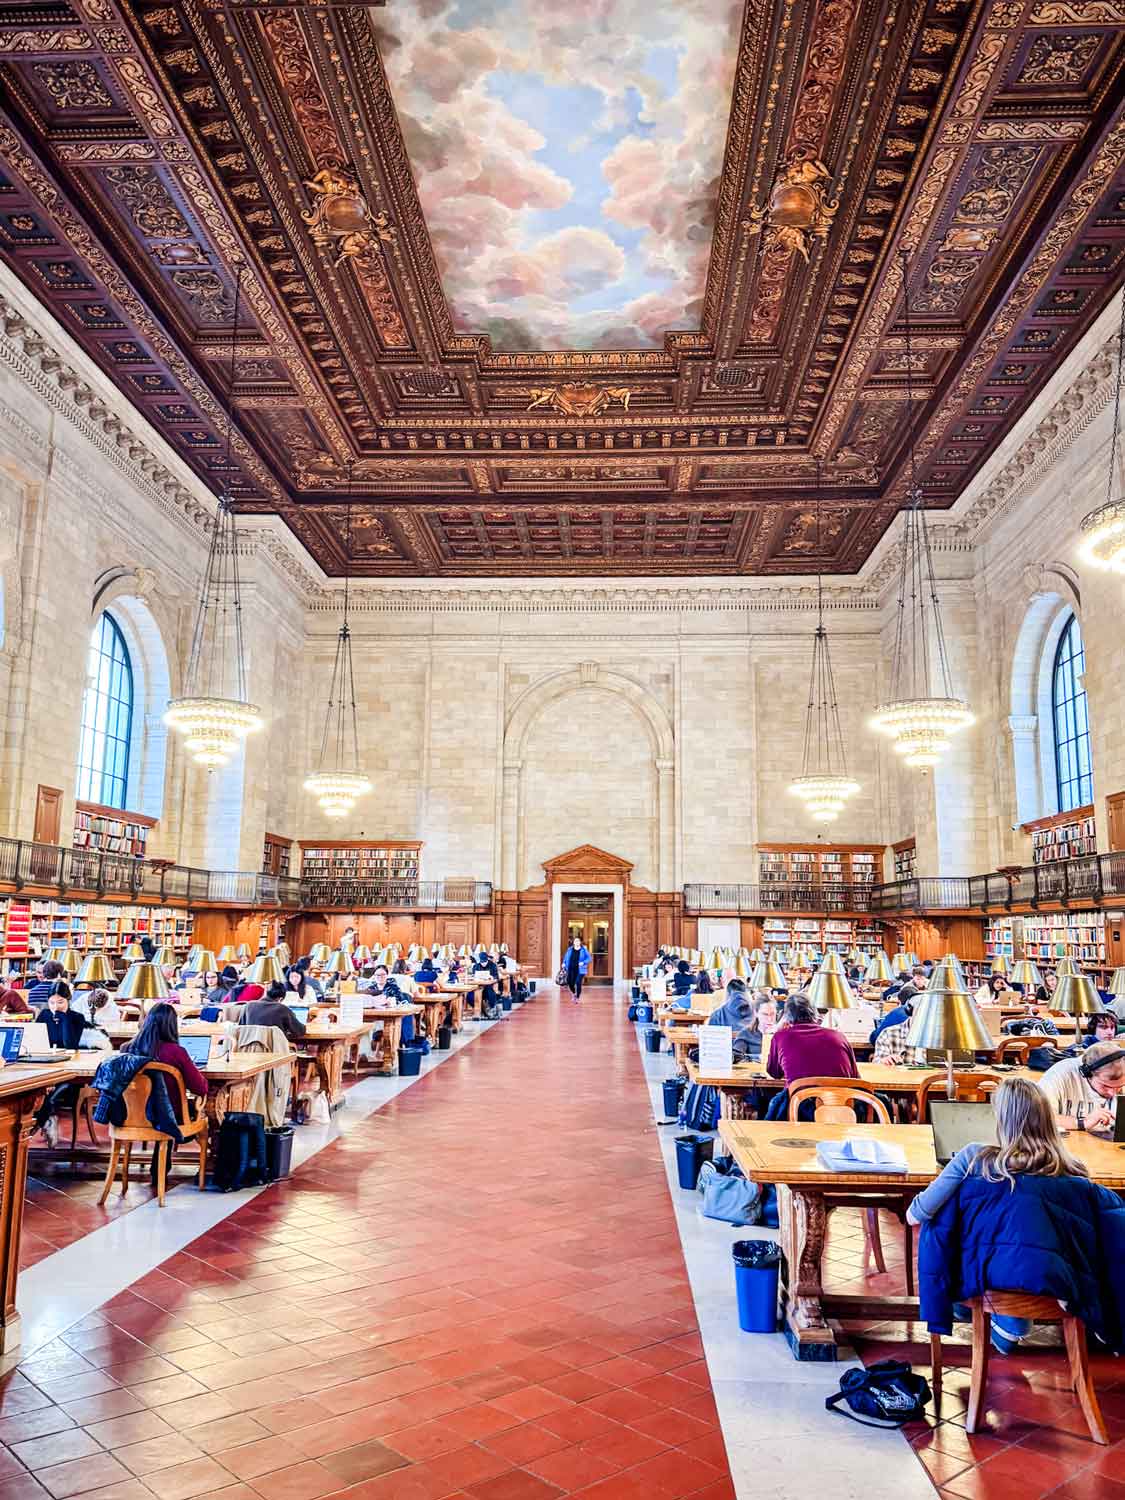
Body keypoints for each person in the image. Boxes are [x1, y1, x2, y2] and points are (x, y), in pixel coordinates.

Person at [912, 1077, 1125, 1355]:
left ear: (1001, 1120)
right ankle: (1016, 1319)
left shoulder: (975, 1158)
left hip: (987, 1276)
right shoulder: (1073, 1170)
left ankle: (997, 1317)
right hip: (1060, 1281)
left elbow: (916, 1215)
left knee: (953, 1219)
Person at [124, 1002, 209, 1112]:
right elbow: (200, 1088)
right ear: (172, 1026)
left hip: (132, 1114)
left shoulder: (126, 1048)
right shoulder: (177, 1052)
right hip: (169, 1116)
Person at [766, 995, 859, 1092]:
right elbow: (855, 1076)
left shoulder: (781, 1037)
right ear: (815, 1013)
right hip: (842, 1100)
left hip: (800, 1100)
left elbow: (774, 1073)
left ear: (786, 1017)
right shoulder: (838, 1036)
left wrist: (778, 1029)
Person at [1037, 1040, 1125, 1133]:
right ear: (1087, 1073)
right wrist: (1083, 1123)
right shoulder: (1058, 1075)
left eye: (1120, 1087)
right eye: (1105, 1086)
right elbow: (1038, 1118)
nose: (1112, 1093)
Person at [241, 981, 307, 1042]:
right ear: (280, 999)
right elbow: (300, 1031)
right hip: (275, 1048)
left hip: (249, 1047)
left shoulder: (249, 1006)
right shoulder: (282, 1009)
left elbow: (240, 1028)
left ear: (265, 993)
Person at [872, 997, 918, 1064]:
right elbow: (877, 1064)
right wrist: (884, 1061)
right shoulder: (888, 1034)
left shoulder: (933, 1037)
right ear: (910, 1010)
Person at [564, 936, 590, 1004]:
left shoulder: (583, 949)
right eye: (575, 941)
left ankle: (578, 997)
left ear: (580, 942)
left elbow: (589, 958)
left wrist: (583, 962)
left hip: (580, 969)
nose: (577, 942)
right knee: (570, 982)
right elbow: (566, 957)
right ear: (573, 942)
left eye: (578, 941)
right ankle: (574, 994)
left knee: (578, 982)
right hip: (571, 968)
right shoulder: (570, 949)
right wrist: (564, 963)